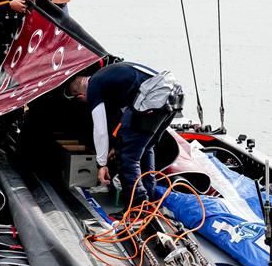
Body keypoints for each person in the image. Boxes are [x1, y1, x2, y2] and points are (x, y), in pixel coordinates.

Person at [66, 62, 184, 208]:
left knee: (127, 156)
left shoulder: (95, 87)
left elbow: (100, 130)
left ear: (81, 96)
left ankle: (138, 205)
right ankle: (150, 197)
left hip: (155, 94)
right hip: (173, 93)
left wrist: (101, 164)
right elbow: (126, 121)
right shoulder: (109, 77)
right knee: (146, 148)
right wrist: (116, 145)